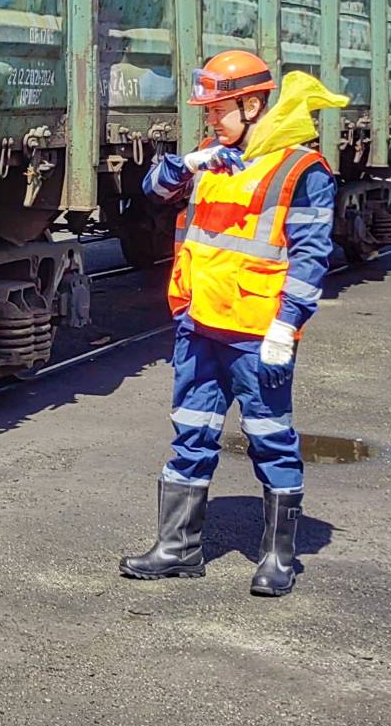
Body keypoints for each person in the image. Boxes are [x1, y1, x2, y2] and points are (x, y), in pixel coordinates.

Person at [119, 50, 339, 597]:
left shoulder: (301, 170)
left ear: (253, 103)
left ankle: (278, 558)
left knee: (270, 438)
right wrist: (189, 163)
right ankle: (178, 548)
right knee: (190, 432)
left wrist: (288, 326)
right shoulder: (212, 157)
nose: (211, 120)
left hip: (257, 333)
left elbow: (312, 256)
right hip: (199, 325)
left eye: (219, 109)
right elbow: (153, 193)